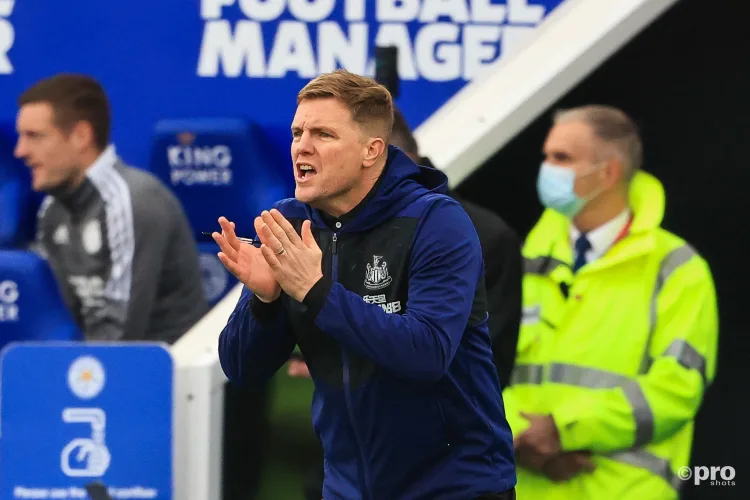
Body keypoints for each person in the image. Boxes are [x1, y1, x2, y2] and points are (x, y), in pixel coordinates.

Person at [214, 69, 517, 499]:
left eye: (323, 134)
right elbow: (242, 370)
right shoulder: (294, 223)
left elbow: (427, 354)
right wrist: (264, 301)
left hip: (453, 488)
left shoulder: (437, 221)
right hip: (348, 488)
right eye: (298, 131)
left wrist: (317, 292)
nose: (302, 144)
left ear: (371, 150)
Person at [504, 105, 718, 499]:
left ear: (608, 173)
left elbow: (677, 390)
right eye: (546, 156)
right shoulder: (524, 261)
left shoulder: (677, 268)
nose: (546, 169)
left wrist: (564, 430)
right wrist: (520, 438)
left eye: (562, 158)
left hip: (623, 490)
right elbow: (482, 371)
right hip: (525, 487)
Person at [14, 73, 208, 342]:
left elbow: (121, 330)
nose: (20, 151)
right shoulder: (51, 211)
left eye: (34, 136)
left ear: (81, 136)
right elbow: (61, 318)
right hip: (95, 366)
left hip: (169, 371)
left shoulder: (135, 201)